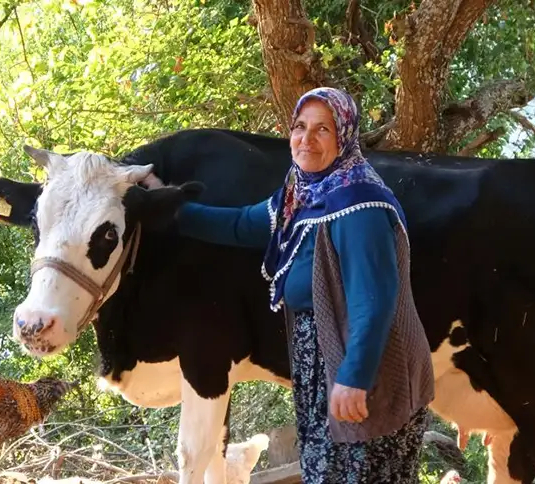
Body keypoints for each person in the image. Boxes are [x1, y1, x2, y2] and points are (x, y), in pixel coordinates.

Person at [175, 87, 435, 483]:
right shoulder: (302, 195)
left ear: (344, 135)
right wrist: (169, 208)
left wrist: (354, 377)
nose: (306, 139)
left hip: (369, 368)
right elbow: (241, 224)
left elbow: (374, 299)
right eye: (299, 127)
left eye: (322, 130)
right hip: (326, 359)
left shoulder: (357, 203)